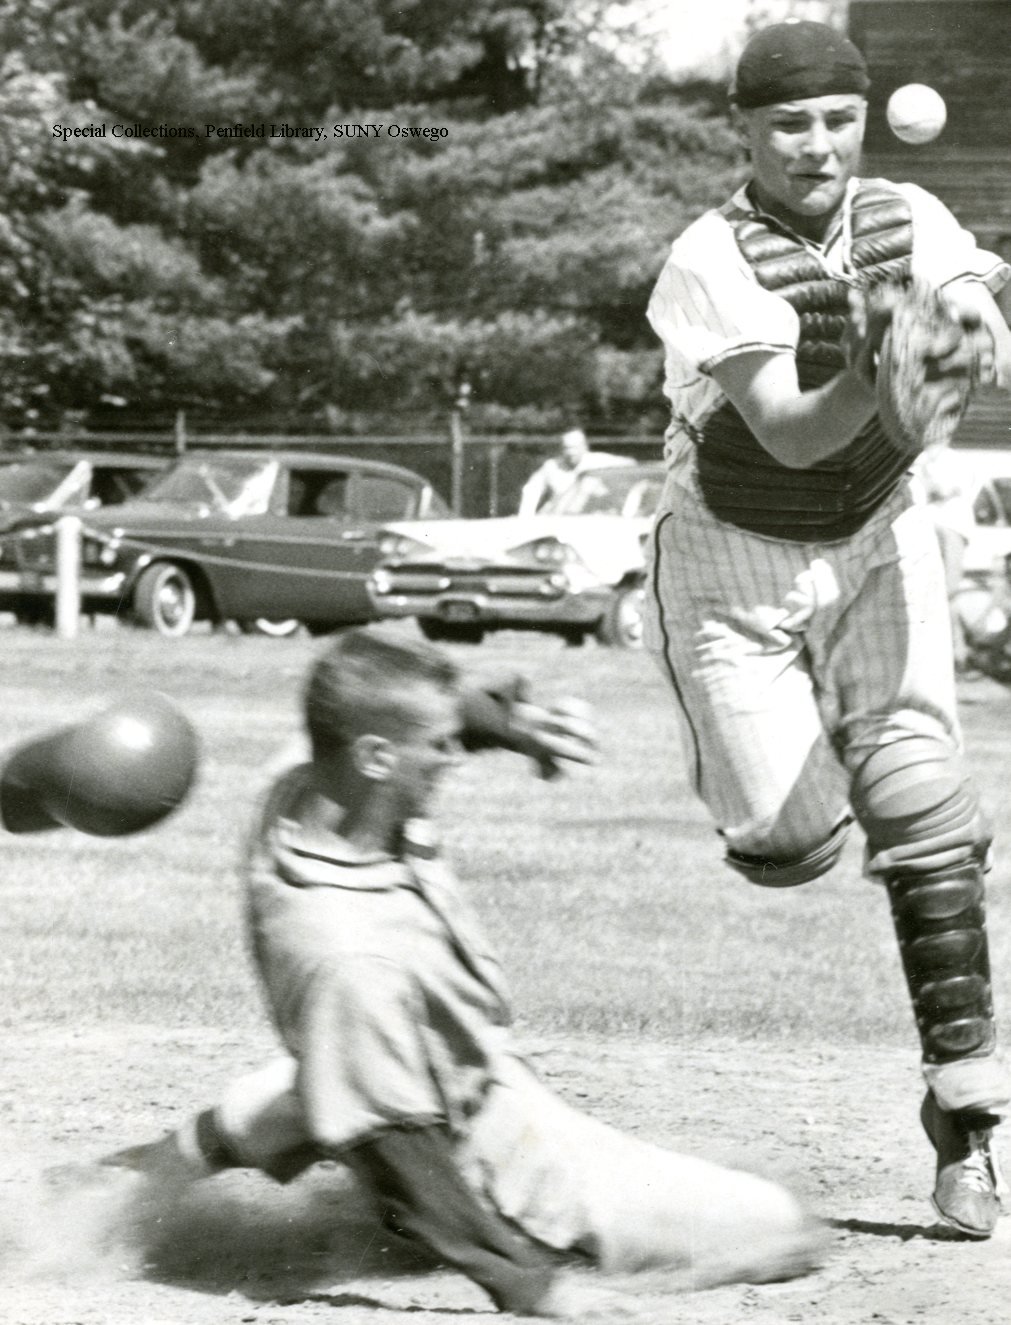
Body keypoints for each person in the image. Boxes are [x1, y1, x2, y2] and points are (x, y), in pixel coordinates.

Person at [90, 627, 823, 1316]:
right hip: (469, 1135)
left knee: (345, 1058)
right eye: (439, 748)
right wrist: (524, 1281)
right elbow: (398, 1145)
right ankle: (417, 1164)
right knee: (775, 1223)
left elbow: (392, 712)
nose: (451, 758)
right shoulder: (350, 953)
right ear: (377, 758)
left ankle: (132, 1177)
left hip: (372, 1048)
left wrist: (501, 722)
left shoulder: (303, 786)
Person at [644, 19, 1011, 1240]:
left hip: (877, 533)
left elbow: (975, 322)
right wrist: (874, 365)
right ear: (744, 130)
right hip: (733, 556)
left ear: (864, 119)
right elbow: (796, 430)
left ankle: (966, 1125)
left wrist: (967, 341)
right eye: (789, 121)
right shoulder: (710, 255)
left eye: (836, 118)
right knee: (789, 842)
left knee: (923, 803)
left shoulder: (909, 215)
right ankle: (842, 799)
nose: (817, 144)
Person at [909, 443, 980, 672]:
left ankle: (958, 651)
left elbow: (949, 490)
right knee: (926, 591)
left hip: (952, 526)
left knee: (949, 591)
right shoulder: (918, 458)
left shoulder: (954, 460)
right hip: (928, 526)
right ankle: (941, 653)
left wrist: (931, 487)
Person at [517, 428, 626, 515]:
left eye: (575, 447)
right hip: (557, 518)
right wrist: (526, 517)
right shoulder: (552, 466)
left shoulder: (600, 461)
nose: (571, 452)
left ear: (585, 446)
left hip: (591, 519)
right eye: (567, 448)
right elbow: (531, 490)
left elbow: (631, 467)